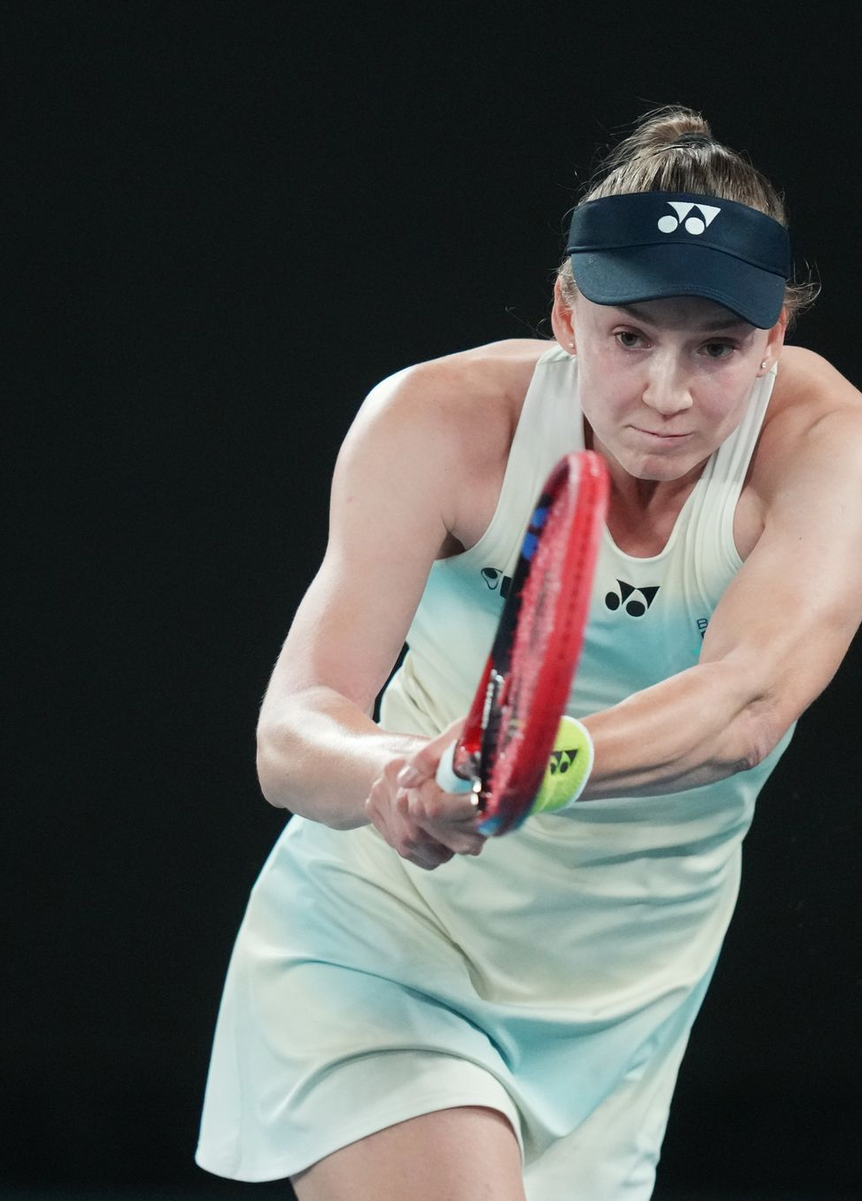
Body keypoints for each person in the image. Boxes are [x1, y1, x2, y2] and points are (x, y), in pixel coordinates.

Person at [195, 107, 862, 1200]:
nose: (665, 392)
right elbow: (294, 726)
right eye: (630, 336)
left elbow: (746, 705)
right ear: (565, 310)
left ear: (776, 337)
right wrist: (395, 781)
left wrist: (535, 766)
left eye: (718, 348)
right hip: (385, 943)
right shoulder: (441, 419)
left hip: (624, 995)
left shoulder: (824, 445)